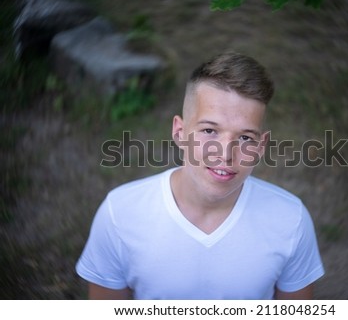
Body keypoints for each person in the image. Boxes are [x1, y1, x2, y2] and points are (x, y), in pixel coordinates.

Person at [76, 52, 325, 299]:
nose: (225, 154)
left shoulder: (291, 220)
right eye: (209, 130)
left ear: (261, 146)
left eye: (246, 138)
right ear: (180, 131)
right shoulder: (120, 214)